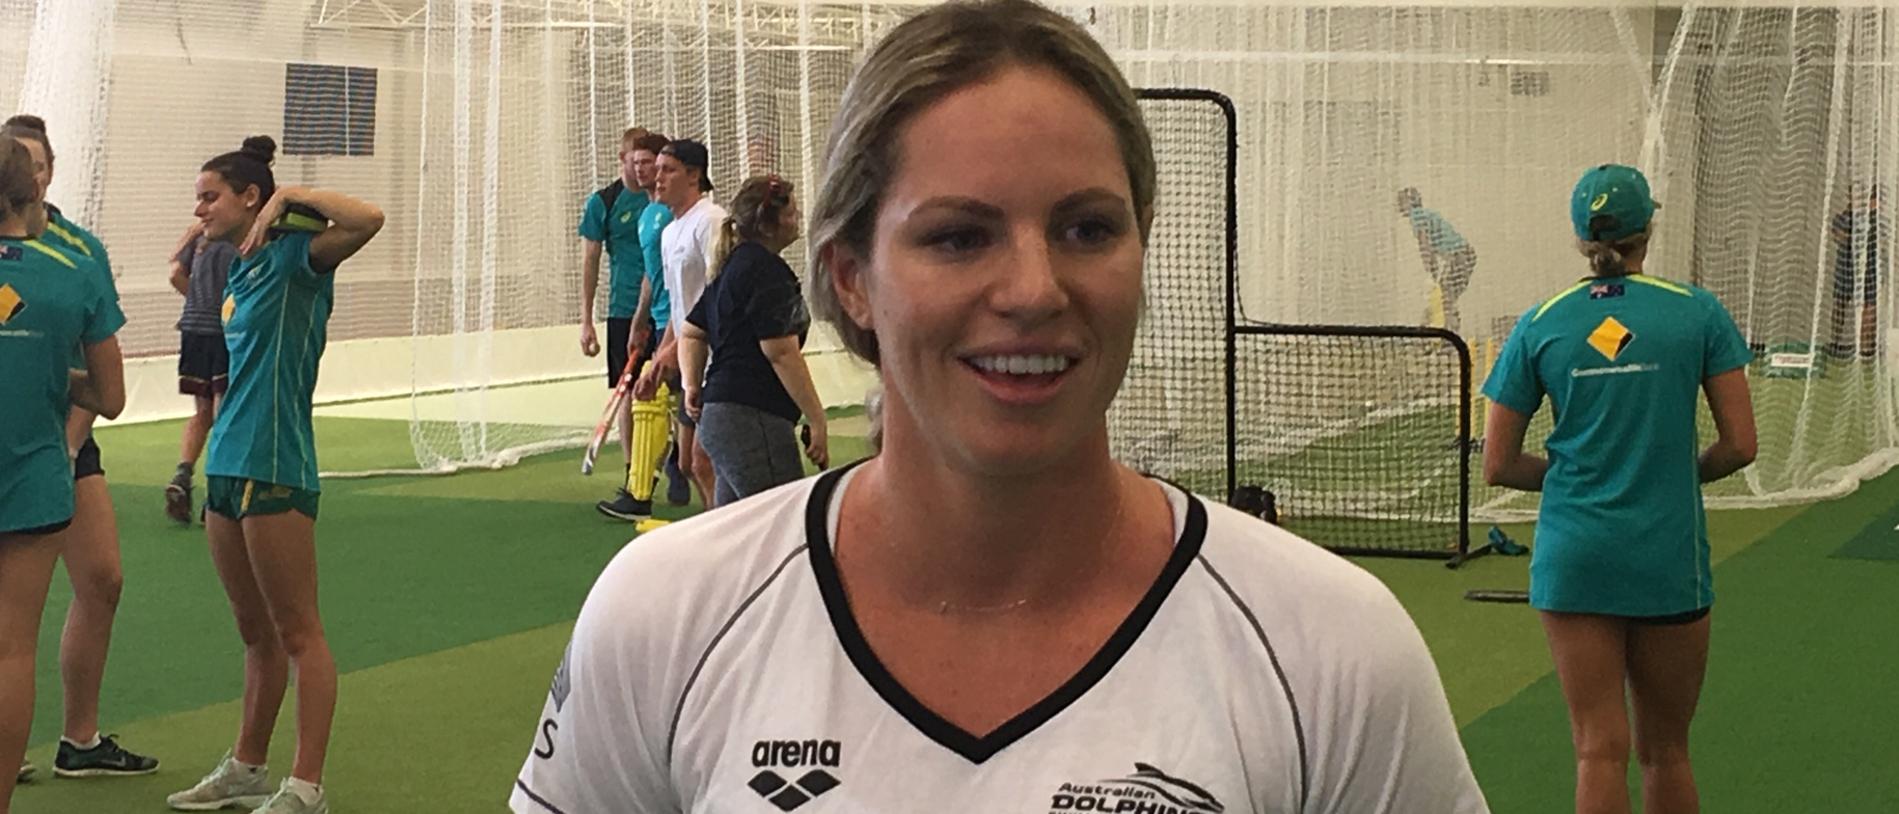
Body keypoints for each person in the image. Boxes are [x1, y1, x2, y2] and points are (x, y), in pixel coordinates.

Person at [511, 2, 1488, 811]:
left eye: (1086, 226)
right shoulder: (668, 614)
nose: (1034, 287)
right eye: (958, 237)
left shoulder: (1329, 645)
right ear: (850, 278)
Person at [1482, 164, 1757, 814]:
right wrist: (1666, 473)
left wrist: (1582, 475)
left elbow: (1496, 463)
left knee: (1595, 750)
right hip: (1666, 554)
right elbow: (1740, 445)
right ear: (1647, 231)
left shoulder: (1539, 321)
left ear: (1580, 238)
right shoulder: (1695, 311)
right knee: (1666, 750)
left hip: (1574, 554)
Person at [164, 136, 383, 814]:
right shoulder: (236, 267)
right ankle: (246, 768)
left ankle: (306, 787)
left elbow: (367, 218)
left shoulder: (299, 258)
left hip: (277, 463)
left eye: (209, 196)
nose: (198, 209)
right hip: (226, 467)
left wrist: (289, 195)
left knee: (298, 632)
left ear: (251, 198)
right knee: (252, 631)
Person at [2, 114, 158, 783]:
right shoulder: (66, 273)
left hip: (52, 452)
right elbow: (111, 391)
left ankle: (78, 738)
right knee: (11, 648)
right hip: (33, 462)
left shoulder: (79, 251)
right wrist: (47, 372)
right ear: (25, 189)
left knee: (101, 580)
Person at [680, 175, 830, 505]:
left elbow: (691, 331)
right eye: (791, 212)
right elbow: (780, 352)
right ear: (768, 224)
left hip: (718, 415)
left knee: (739, 530)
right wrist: (816, 417)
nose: (798, 218)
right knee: (781, 524)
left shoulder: (730, 267)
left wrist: (692, 384)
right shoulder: (767, 271)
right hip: (752, 417)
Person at [580, 127, 689, 520]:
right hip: (641, 315)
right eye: (639, 163)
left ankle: (679, 462)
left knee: (680, 397)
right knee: (641, 395)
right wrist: (635, 318)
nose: (646, 172)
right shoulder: (622, 208)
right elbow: (647, 272)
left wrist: (677, 323)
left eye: (654, 165)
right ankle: (640, 479)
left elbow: (683, 274)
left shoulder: (671, 213)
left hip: (680, 319)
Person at [632, 138, 727, 509]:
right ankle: (718, 530)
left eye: (667, 171)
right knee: (688, 463)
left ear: (694, 175)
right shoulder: (670, 232)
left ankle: (728, 536)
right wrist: (661, 357)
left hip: (719, 354)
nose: (657, 179)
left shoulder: (712, 221)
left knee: (704, 460)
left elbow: (716, 293)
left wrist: (675, 348)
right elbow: (678, 304)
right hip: (690, 358)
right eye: (657, 171)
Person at [167, 221, 238, 524]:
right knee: (226, 410)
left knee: (202, 411)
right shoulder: (244, 236)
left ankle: (183, 472)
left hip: (193, 329)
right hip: (226, 331)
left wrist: (198, 302)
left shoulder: (199, 233)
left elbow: (175, 273)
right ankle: (218, 490)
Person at [1398, 186, 1477, 334]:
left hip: (1458, 256)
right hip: (1466, 254)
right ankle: (1433, 329)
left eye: (1401, 201)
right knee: (1445, 296)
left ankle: (1447, 334)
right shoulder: (1427, 214)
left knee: (1445, 295)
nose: (1398, 205)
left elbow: (1424, 243)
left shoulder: (1417, 216)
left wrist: (1430, 270)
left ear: (1409, 202)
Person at [1828, 184, 1886, 360]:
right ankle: (1835, 343)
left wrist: (1873, 213)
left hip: (1870, 267)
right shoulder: (1844, 217)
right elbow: (1840, 236)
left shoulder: (1878, 219)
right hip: (1846, 266)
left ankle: (1866, 349)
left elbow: (1881, 238)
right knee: (1840, 302)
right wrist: (1855, 215)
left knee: (1869, 306)